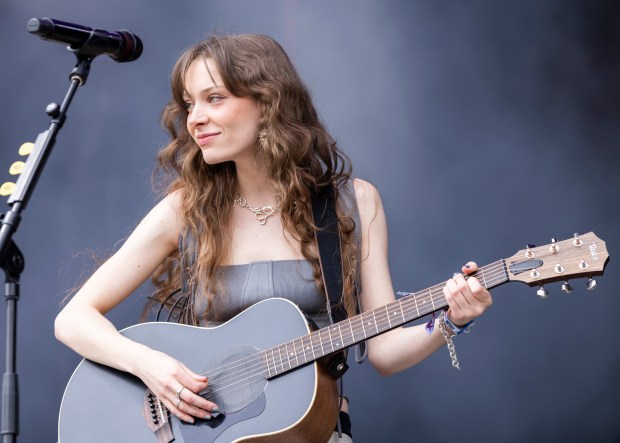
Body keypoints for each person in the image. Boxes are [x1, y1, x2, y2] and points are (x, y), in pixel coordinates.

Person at [55, 34, 493, 442]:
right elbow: (72, 320)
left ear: (267, 103)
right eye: (189, 104)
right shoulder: (187, 208)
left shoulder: (354, 204)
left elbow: (383, 351)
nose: (195, 119)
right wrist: (150, 366)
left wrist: (450, 320)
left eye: (214, 99)